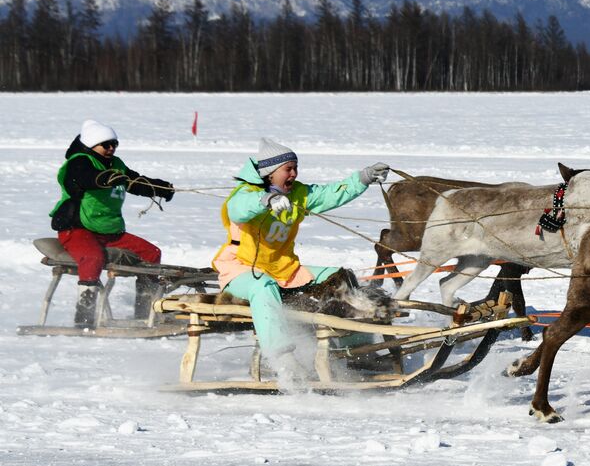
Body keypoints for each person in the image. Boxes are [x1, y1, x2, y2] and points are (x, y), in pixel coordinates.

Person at [212, 138, 389, 377]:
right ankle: (282, 359)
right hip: (240, 270)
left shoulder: (298, 195)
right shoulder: (246, 193)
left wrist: (362, 178)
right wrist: (266, 200)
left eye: (296, 168)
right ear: (269, 173)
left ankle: (358, 351)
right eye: (288, 169)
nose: (294, 173)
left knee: (341, 278)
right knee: (263, 287)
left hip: (284, 269)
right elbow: (238, 208)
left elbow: (329, 195)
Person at [49, 119, 175, 327]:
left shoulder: (117, 165)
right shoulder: (78, 161)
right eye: (106, 144)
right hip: (77, 229)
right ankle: (84, 317)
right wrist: (104, 178)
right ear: (92, 145)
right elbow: (83, 178)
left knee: (151, 253)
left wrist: (160, 188)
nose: (111, 148)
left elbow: (135, 182)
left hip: (109, 231)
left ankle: (146, 312)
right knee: (92, 257)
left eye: (114, 144)